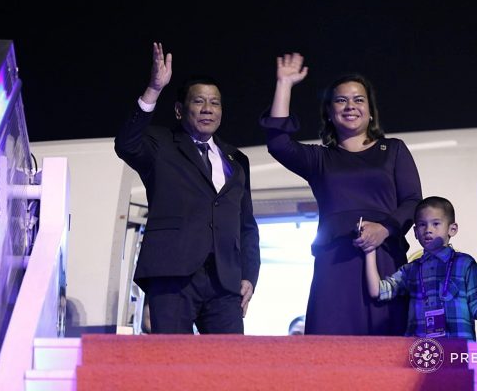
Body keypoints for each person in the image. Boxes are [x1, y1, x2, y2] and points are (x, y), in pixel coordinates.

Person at [261, 53, 422, 335]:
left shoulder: (393, 150)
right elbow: (278, 142)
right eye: (341, 100)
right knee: (331, 347)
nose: (350, 106)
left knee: (388, 347)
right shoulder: (320, 159)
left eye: (359, 99)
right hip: (334, 264)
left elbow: (413, 202)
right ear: (330, 112)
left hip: (385, 259)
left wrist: (384, 229)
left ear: (371, 111)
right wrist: (284, 84)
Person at [115, 42, 260, 334]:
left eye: (215, 103)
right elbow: (126, 144)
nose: (208, 109)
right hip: (172, 275)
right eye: (199, 102)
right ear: (180, 110)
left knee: (228, 365)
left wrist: (249, 274)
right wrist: (154, 89)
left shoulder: (236, 158)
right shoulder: (161, 144)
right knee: (171, 363)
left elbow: (246, 225)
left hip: (225, 281)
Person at [365, 196, 477, 339]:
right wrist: (370, 250)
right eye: (422, 225)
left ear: (452, 229)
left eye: (436, 224)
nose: (428, 230)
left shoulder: (465, 264)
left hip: (458, 352)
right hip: (420, 353)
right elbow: (378, 291)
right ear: (415, 232)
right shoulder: (411, 269)